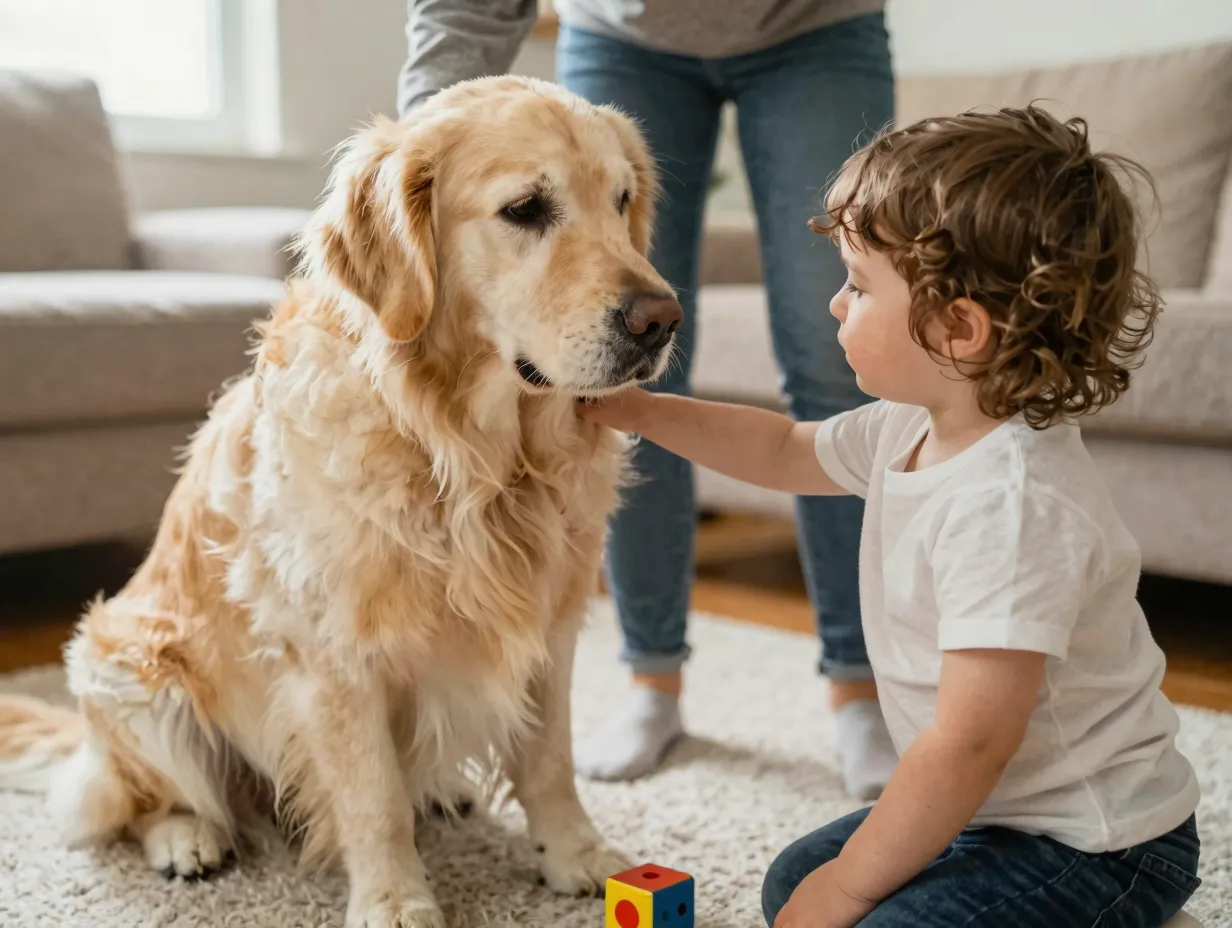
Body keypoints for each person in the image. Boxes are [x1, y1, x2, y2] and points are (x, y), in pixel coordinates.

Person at [579, 106, 1203, 927]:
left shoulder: (1011, 505)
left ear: (958, 329)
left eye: (859, 286)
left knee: (854, 906)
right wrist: (647, 414)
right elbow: (781, 450)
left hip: (1096, 844)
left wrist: (851, 888)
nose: (837, 306)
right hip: (993, 811)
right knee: (792, 879)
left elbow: (969, 743)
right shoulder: (911, 425)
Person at [398, 1, 898, 796]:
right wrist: (422, 142)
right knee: (614, 379)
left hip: (817, 25)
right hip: (621, 34)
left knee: (838, 362)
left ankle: (860, 691)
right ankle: (651, 682)